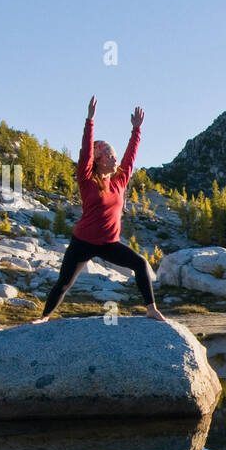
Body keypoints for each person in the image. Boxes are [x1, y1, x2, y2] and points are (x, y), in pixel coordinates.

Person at [34, 95, 166, 323]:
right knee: (64, 283)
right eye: (110, 156)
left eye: (115, 156)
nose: (115, 160)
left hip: (109, 244)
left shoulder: (119, 181)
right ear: (100, 160)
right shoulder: (87, 180)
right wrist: (90, 121)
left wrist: (136, 130)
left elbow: (131, 157)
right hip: (82, 242)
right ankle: (44, 318)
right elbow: (85, 153)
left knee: (141, 263)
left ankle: (151, 308)